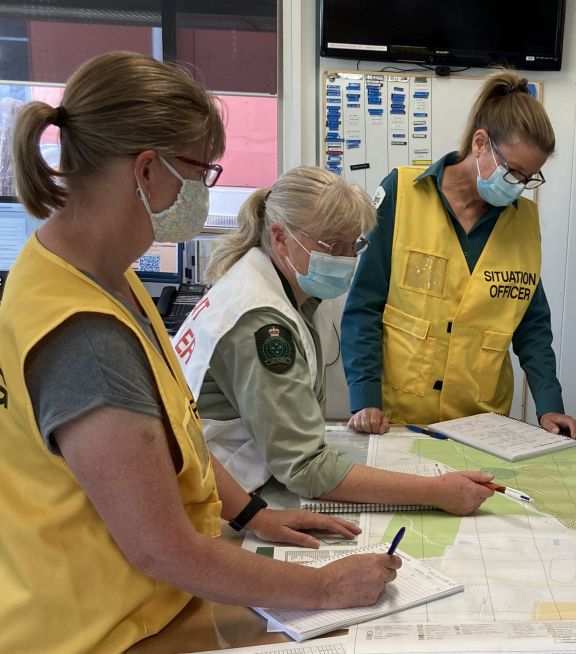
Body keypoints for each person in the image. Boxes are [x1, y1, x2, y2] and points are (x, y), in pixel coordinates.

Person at [0, 52, 399, 654]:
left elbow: (170, 438)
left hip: (144, 597)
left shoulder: (95, 273)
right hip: (102, 628)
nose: (203, 190)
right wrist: (320, 588)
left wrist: (251, 516)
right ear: (146, 171)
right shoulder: (84, 333)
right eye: (200, 172)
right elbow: (159, 546)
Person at [172, 165, 493, 513]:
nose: (348, 260)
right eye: (333, 246)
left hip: (232, 478)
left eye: (354, 245)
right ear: (280, 237)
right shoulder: (261, 321)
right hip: (218, 498)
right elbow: (307, 469)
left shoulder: (269, 282)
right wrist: (436, 492)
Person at [342, 70, 576, 441]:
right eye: (513, 171)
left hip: (482, 423)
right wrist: (364, 398)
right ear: (480, 143)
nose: (519, 186)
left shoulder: (523, 223)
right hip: (398, 419)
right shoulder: (402, 194)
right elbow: (365, 306)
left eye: (529, 178)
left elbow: (532, 325)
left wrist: (550, 405)